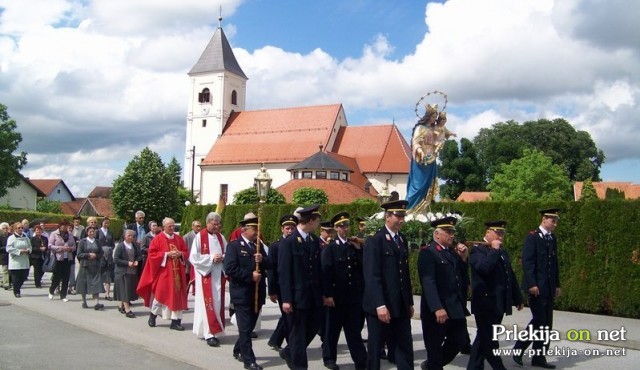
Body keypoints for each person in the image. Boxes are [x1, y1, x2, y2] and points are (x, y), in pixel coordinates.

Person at [363, 200, 414, 370]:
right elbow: (372, 276)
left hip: (399, 303)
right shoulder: (375, 240)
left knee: (404, 344)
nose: (401, 219)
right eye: (397, 215)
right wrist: (380, 305)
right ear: (387, 216)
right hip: (381, 304)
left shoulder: (401, 239)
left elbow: (404, 274)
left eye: (403, 216)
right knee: (376, 347)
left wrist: (409, 302)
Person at [467, 221, 524, 370]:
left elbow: (509, 276)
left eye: (502, 233)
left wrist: (518, 298)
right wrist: (493, 251)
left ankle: (473, 367)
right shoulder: (477, 250)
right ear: (487, 233)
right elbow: (484, 268)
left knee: (483, 338)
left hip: (498, 303)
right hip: (485, 303)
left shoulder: (501, 251)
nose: (501, 236)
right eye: (497, 232)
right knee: (490, 340)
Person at [512, 209, 561, 369]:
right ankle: (519, 348)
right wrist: (532, 284)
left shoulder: (551, 238)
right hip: (536, 287)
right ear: (544, 219)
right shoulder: (532, 237)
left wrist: (557, 284)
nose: (555, 223)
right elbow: (528, 263)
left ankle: (539, 357)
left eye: (556, 220)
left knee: (546, 323)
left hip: (548, 287)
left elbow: (554, 264)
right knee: (539, 321)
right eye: (552, 220)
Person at [418, 216, 469, 370]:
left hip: (454, 307)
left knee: (459, 340)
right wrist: (437, 307)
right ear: (437, 234)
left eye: (453, 231)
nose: (452, 235)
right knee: (434, 347)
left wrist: (464, 258)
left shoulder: (452, 253)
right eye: (448, 232)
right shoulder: (428, 252)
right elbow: (428, 282)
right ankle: (433, 364)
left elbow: (462, 278)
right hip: (437, 309)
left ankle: (431, 365)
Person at [278, 204, 323, 370]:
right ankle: (300, 366)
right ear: (311, 221)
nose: (318, 225)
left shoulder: (314, 240)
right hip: (297, 297)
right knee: (298, 334)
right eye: (317, 221)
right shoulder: (289, 242)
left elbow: (317, 269)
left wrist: (323, 293)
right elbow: (284, 272)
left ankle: (289, 351)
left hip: (313, 296)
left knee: (313, 327)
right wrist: (287, 299)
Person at [224, 216, 271, 370]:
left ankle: (238, 349)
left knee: (249, 327)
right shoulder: (234, 247)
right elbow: (230, 268)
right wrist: (250, 276)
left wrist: (262, 259)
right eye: (254, 229)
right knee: (245, 329)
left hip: (258, 295)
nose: (257, 232)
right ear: (245, 230)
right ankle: (249, 360)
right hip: (242, 294)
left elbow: (271, 264)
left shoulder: (259, 246)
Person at [321, 212, 367, 370]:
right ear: (335, 228)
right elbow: (326, 273)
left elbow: (362, 268)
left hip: (352, 297)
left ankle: (361, 360)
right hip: (336, 297)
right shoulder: (331, 248)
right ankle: (329, 358)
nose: (345, 229)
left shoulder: (352, 246)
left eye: (346, 225)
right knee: (332, 331)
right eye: (341, 226)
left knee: (354, 331)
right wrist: (327, 295)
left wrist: (359, 249)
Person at [137, 217, 189, 331]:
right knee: (159, 296)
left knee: (178, 297)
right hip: (164, 273)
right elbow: (152, 254)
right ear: (163, 227)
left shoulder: (179, 239)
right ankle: (152, 316)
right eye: (169, 226)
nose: (172, 228)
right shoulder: (158, 239)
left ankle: (176, 322)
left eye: (173, 225)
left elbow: (186, 252)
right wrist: (166, 255)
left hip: (177, 275)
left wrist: (180, 254)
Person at [406, 104, 456, 213]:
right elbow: (415, 141)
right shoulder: (420, 128)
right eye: (433, 117)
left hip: (431, 159)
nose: (434, 119)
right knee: (418, 186)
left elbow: (442, 133)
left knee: (428, 185)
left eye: (435, 117)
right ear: (428, 116)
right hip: (420, 159)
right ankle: (409, 210)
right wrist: (420, 152)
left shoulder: (434, 128)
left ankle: (423, 210)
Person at [189, 212, 227, 347]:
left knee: (217, 303)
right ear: (207, 223)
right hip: (206, 275)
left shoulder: (221, 237)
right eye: (214, 224)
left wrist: (222, 257)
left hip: (218, 275)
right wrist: (211, 258)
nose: (217, 227)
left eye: (218, 224)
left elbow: (226, 252)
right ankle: (209, 333)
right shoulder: (200, 237)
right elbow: (193, 257)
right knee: (207, 304)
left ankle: (214, 330)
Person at [267, 214, 298, 352]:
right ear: (282, 229)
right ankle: (290, 346)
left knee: (290, 316)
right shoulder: (275, 246)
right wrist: (272, 291)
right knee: (288, 317)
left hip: (295, 287)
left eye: (292, 228)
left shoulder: (297, 244)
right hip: (281, 287)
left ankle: (275, 340)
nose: (290, 231)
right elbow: (272, 270)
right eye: (287, 228)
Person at [114, 229, 142, 318]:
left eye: (132, 236)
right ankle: (127, 310)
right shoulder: (121, 246)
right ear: (124, 236)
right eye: (128, 235)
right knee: (124, 290)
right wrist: (127, 263)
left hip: (132, 271)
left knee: (128, 290)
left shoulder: (134, 245)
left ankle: (120, 306)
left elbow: (139, 255)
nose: (131, 237)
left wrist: (137, 261)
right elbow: (116, 259)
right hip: (122, 272)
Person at [76, 226, 105, 310]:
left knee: (96, 284)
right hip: (85, 265)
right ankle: (84, 301)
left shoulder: (97, 242)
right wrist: (88, 255)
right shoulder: (82, 242)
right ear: (87, 232)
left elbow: (101, 253)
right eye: (90, 232)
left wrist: (96, 255)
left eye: (93, 231)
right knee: (83, 284)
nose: (92, 233)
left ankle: (97, 302)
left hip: (95, 265)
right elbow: (79, 254)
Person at [48, 219, 76, 302]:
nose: (65, 227)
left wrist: (70, 249)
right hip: (58, 258)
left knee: (66, 277)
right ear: (60, 226)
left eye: (67, 225)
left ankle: (63, 295)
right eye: (64, 225)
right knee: (57, 276)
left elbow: (74, 246)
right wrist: (61, 248)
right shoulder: (54, 234)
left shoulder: (70, 235)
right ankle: (51, 290)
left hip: (68, 258)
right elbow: (50, 245)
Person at [6, 221, 32, 298]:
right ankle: (17, 291)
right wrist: (19, 251)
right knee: (16, 278)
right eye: (19, 228)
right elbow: (8, 248)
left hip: (24, 261)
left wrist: (28, 250)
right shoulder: (11, 238)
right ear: (15, 229)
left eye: (22, 228)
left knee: (24, 276)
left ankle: (17, 287)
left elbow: (30, 246)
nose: (21, 229)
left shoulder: (26, 237)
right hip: (15, 262)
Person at [97, 217, 115, 300]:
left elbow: (113, 244)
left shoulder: (110, 232)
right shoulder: (98, 232)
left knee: (108, 274)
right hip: (100, 256)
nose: (106, 224)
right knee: (99, 273)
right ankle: (97, 292)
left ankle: (107, 294)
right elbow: (95, 243)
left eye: (108, 223)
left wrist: (109, 249)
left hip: (109, 256)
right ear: (102, 223)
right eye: (105, 223)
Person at [29, 224, 48, 288]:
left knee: (42, 270)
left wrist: (45, 248)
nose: (38, 231)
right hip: (35, 256)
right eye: (37, 230)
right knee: (37, 270)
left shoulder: (44, 238)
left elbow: (48, 246)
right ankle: (37, 283)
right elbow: (31, 248)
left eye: (39, 230)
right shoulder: (32, 239)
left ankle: (39, 279)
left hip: (43, 256)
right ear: (35, 231)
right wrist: (39, 249)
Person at [1, 222, 11, 290]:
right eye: (3, 228)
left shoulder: (11, 236)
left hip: (10, 256)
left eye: (6, 228)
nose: (5, 229)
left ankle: (2, 282)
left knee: (10, 270)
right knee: (5, 270)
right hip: (3, 256)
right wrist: (5, 247)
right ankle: (6, 284)